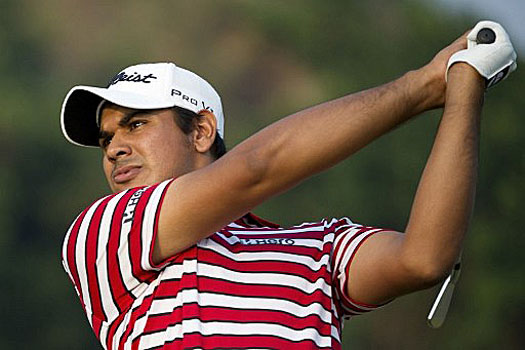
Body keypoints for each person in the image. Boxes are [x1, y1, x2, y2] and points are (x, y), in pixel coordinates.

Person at [60, 21, 516, 350]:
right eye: (107, 139)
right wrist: (420, 88)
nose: (114, 148)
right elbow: (256, 168)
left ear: (200, 132)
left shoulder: (316, 247)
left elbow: (424, 259)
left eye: (135, 125)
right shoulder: (103, 233)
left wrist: (463, 89)